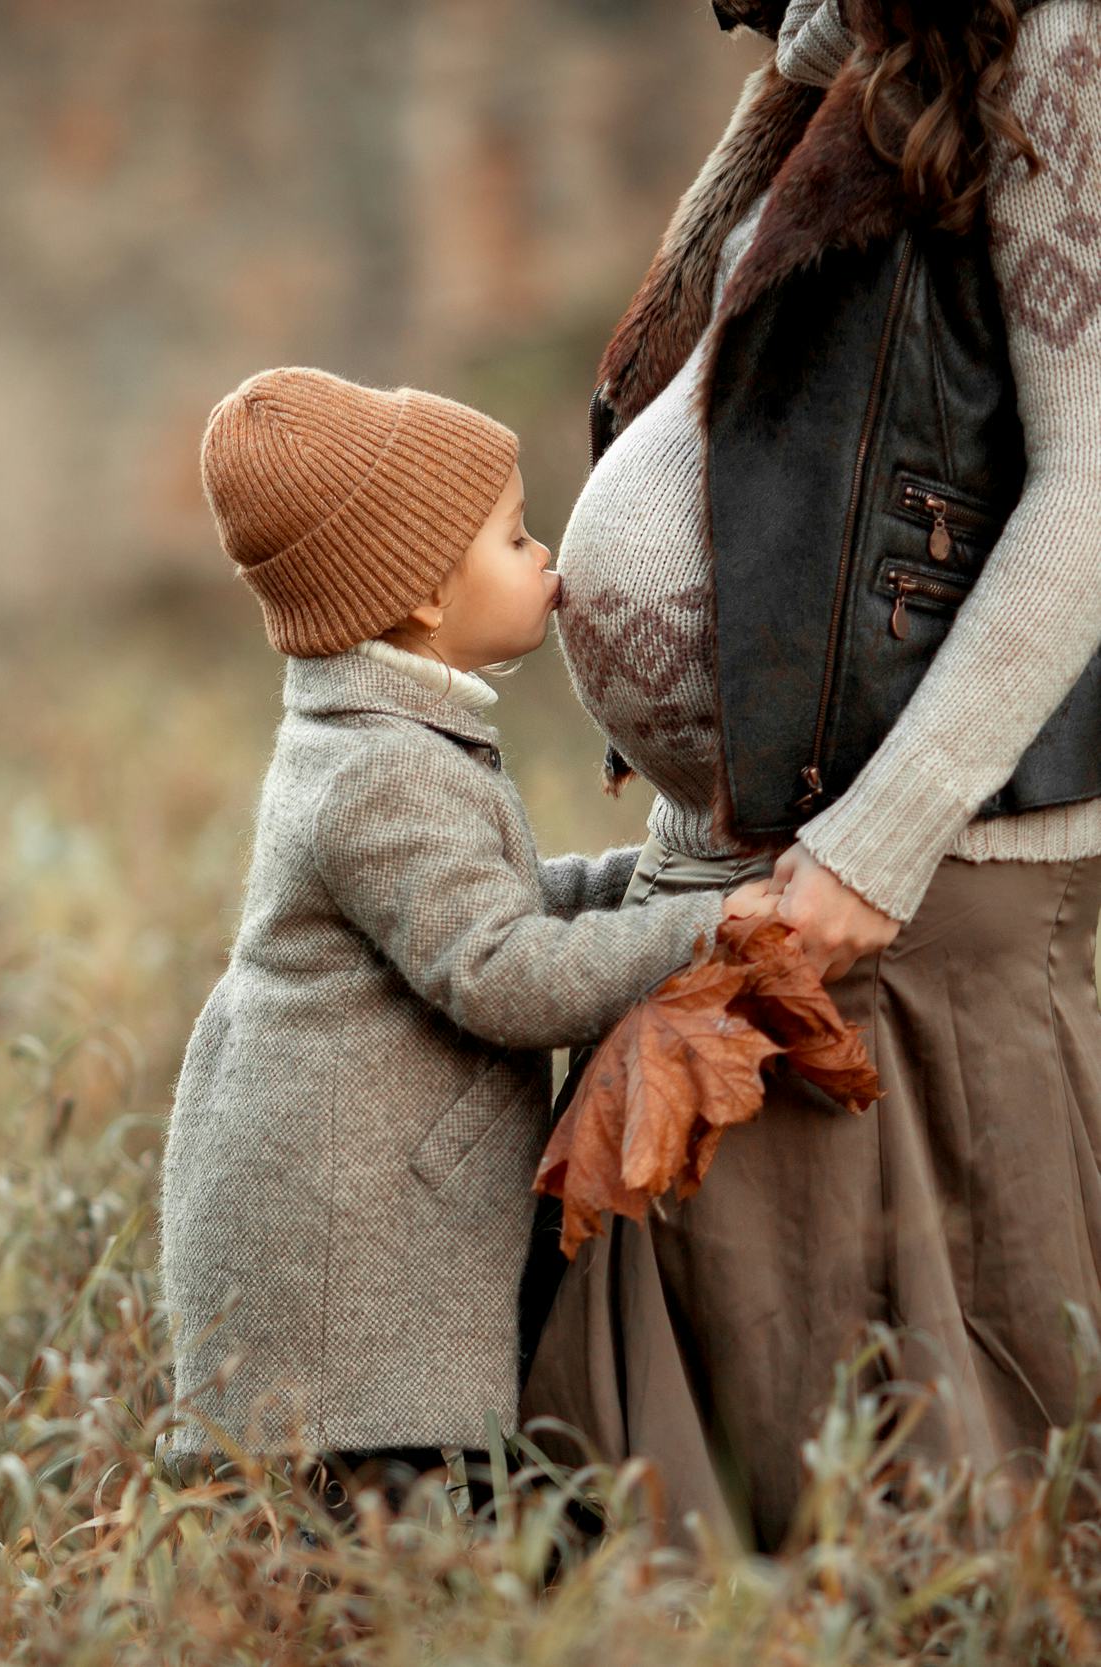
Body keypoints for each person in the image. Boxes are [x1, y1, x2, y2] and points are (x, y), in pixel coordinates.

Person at [528, 0, 1101, 1552]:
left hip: (902, 892)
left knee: (921, 1521)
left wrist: (875, 846)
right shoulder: (846, 53)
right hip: (760, 862)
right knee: (717, 1512)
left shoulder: (1057, 36)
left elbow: (1091, 490)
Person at [154, 367, 777, 1520]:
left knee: (386, 1538)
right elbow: (502, 974)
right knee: (369, 1547)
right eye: (515, 536)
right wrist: (709, 926)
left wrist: (636, 882)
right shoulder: (382, 770)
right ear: (424, 593)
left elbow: (484, 907)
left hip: (367, 1244)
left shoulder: (376, 735)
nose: (549, 561)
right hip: (346, 1280)